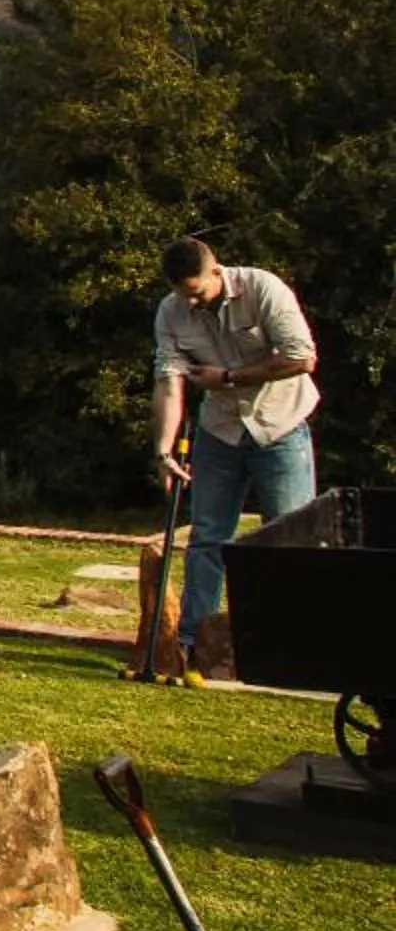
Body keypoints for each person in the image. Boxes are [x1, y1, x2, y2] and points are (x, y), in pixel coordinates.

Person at [150, 238, 318, 658]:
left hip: (279, 427)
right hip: (219, 432)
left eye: (198, 292)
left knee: (289, 537)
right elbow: (168, 382)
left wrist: (228, 378)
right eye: (183, 294)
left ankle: (293, 641)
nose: (192, 302)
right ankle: (194, 641)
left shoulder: (263, 290)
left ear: (216, 271)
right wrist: (164, 451)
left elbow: (302, 358)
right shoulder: (171, 311)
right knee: (207, 537)